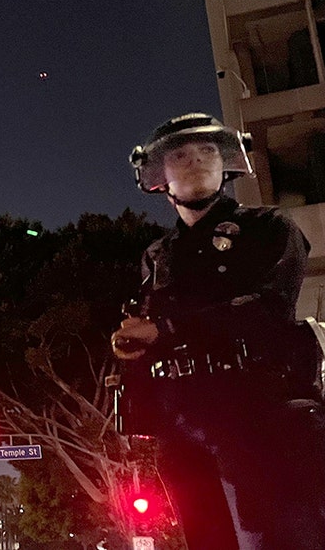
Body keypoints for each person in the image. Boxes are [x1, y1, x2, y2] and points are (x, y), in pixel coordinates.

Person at [114, 113, 325, 549]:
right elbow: (154, 333)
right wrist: (134, 346)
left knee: (276, 538)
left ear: (226, 163)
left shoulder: (269, 227)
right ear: (160, 175)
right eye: (180, 155)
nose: (195, 162)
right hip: (184, 428)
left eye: (207, 151)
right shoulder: (158, 255)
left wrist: (163, 329)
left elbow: (269, 309)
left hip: (262, 414)